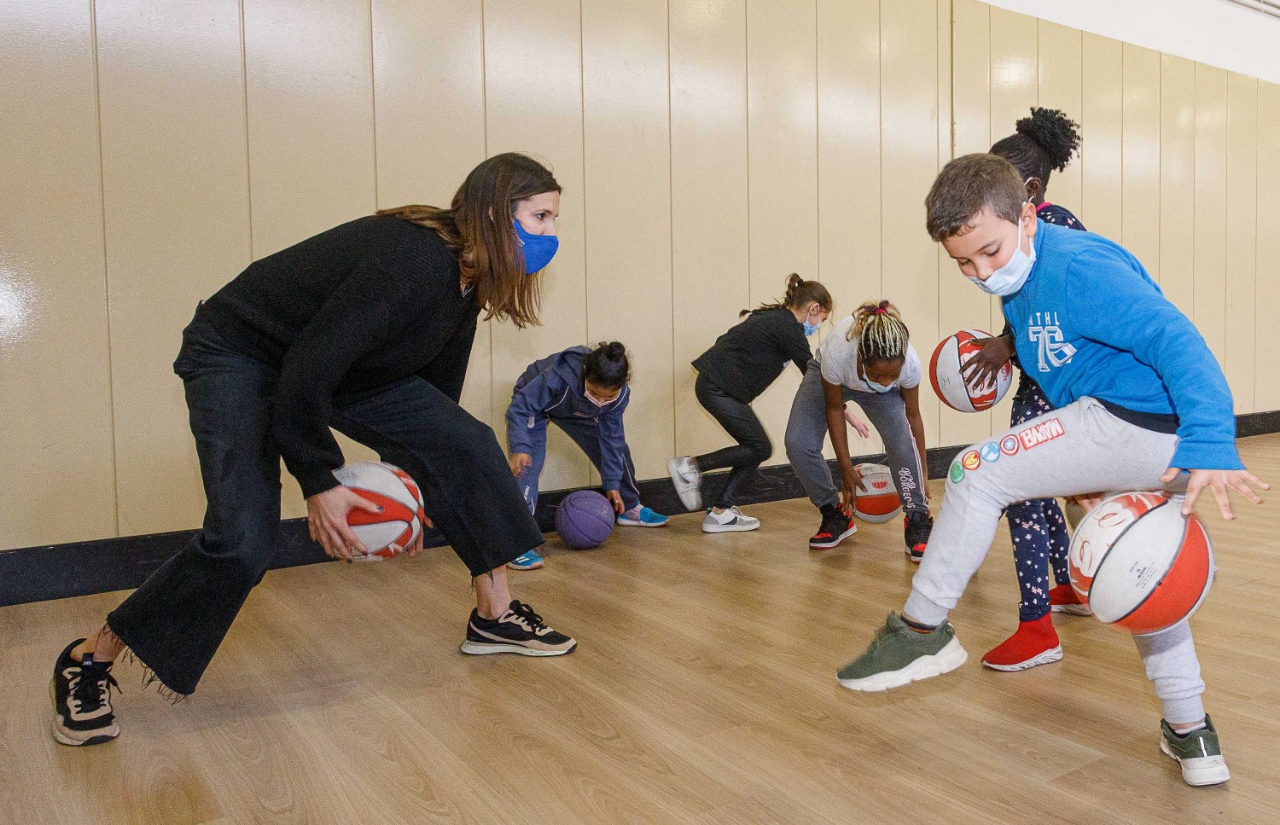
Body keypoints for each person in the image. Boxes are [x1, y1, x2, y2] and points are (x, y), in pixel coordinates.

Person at [50, 153, 578, 748]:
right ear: (491, 213)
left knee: (467, 442)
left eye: (554, 220)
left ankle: (494, 616)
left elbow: (434, 400)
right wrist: (319, 480)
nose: (550, 235)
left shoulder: (464, 281)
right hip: (241, 352)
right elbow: (307, 367)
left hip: (329, 364)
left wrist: (417, 478)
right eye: (540, 218)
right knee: (243, 541)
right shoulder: (411, 260)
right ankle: (88, 660)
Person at [834, 153, 1269, 787]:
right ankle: (1192, 733)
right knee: (1143, 579)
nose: (980, 272)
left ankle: (923, 627)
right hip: (1134, 433)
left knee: (974, 472)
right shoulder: (1018, 283)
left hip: (1142, 425)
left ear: (1028, 217)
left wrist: (1211, 440)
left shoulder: (1081, 268)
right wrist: (1084, 469)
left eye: (989, 251)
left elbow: (1177, 339)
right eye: (963, 263)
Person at [963, 108, 1090, 671]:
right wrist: (1007, 340)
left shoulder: (1051, 225)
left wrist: (1004, 348)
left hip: (1057, 386)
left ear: (1029, 189)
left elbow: (1062, 311)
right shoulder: (1031, 227)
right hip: (1051, 383)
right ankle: (1068, 586)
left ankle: (1037, 626)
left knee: (1019, 492)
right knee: (1038, 491)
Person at [668, 274, 831, 533]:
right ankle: (691, 467)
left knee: (756, 447)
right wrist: (841, 409)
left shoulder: (776, 318)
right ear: (813, 309)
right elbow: (812, 374)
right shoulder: (789, 327)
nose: (818, 325)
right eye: (821, 319)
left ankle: (720, 512)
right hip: (717, 388)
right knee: (759, 447)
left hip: (716, 387)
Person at [784, 301, 933, 555]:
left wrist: (924, 472)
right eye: (878, 376)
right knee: (798, 442)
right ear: (863, 358)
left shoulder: (909, 364)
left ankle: (917, 517)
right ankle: (835, 514)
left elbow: (913, 417)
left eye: (892, 378)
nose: (885, 383)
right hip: (830, 375)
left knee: (901, 439)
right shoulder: (839, 355)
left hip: (870, 378)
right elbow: (834, 410)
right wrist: (846, 469)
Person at [505, 341, 669, 569]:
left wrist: (612, 483)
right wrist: (520, 447)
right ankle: (517, 543)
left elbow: (611, 439)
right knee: (527, 466)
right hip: (536, 406)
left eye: (608, 397)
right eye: (594, 393)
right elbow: (521, 408)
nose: (601, 402)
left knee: (617, 449)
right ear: (585, 376)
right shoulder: (557, 377)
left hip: (575, 409)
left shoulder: (619, 397)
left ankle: (628, 507)